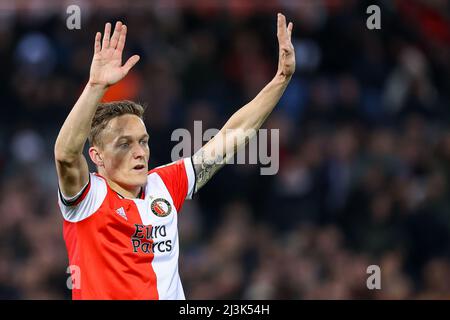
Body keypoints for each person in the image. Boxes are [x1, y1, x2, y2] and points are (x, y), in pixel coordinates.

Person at [54, 13, 295, 300]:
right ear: (97, 156)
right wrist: (95, 87)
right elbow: (66, 154)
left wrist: (281, 79)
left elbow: (232, 135)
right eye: (124, 144)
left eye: (143, 142)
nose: (139, 152)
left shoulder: (164, 185)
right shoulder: (88, 197)